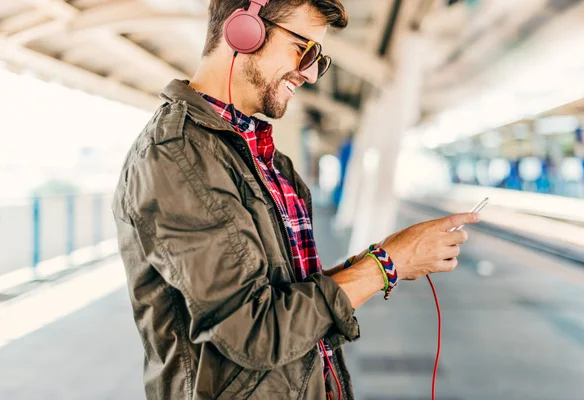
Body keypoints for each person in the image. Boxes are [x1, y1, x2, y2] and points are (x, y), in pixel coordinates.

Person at [111, 0, 480, 399]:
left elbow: (287, 297)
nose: (307, 73)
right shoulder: (178, 153)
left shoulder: (263, 158)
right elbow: (253, 329)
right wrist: (386, 265)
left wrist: (385, 256)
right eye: (301, 48)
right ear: (243, 30)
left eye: (316, 58)